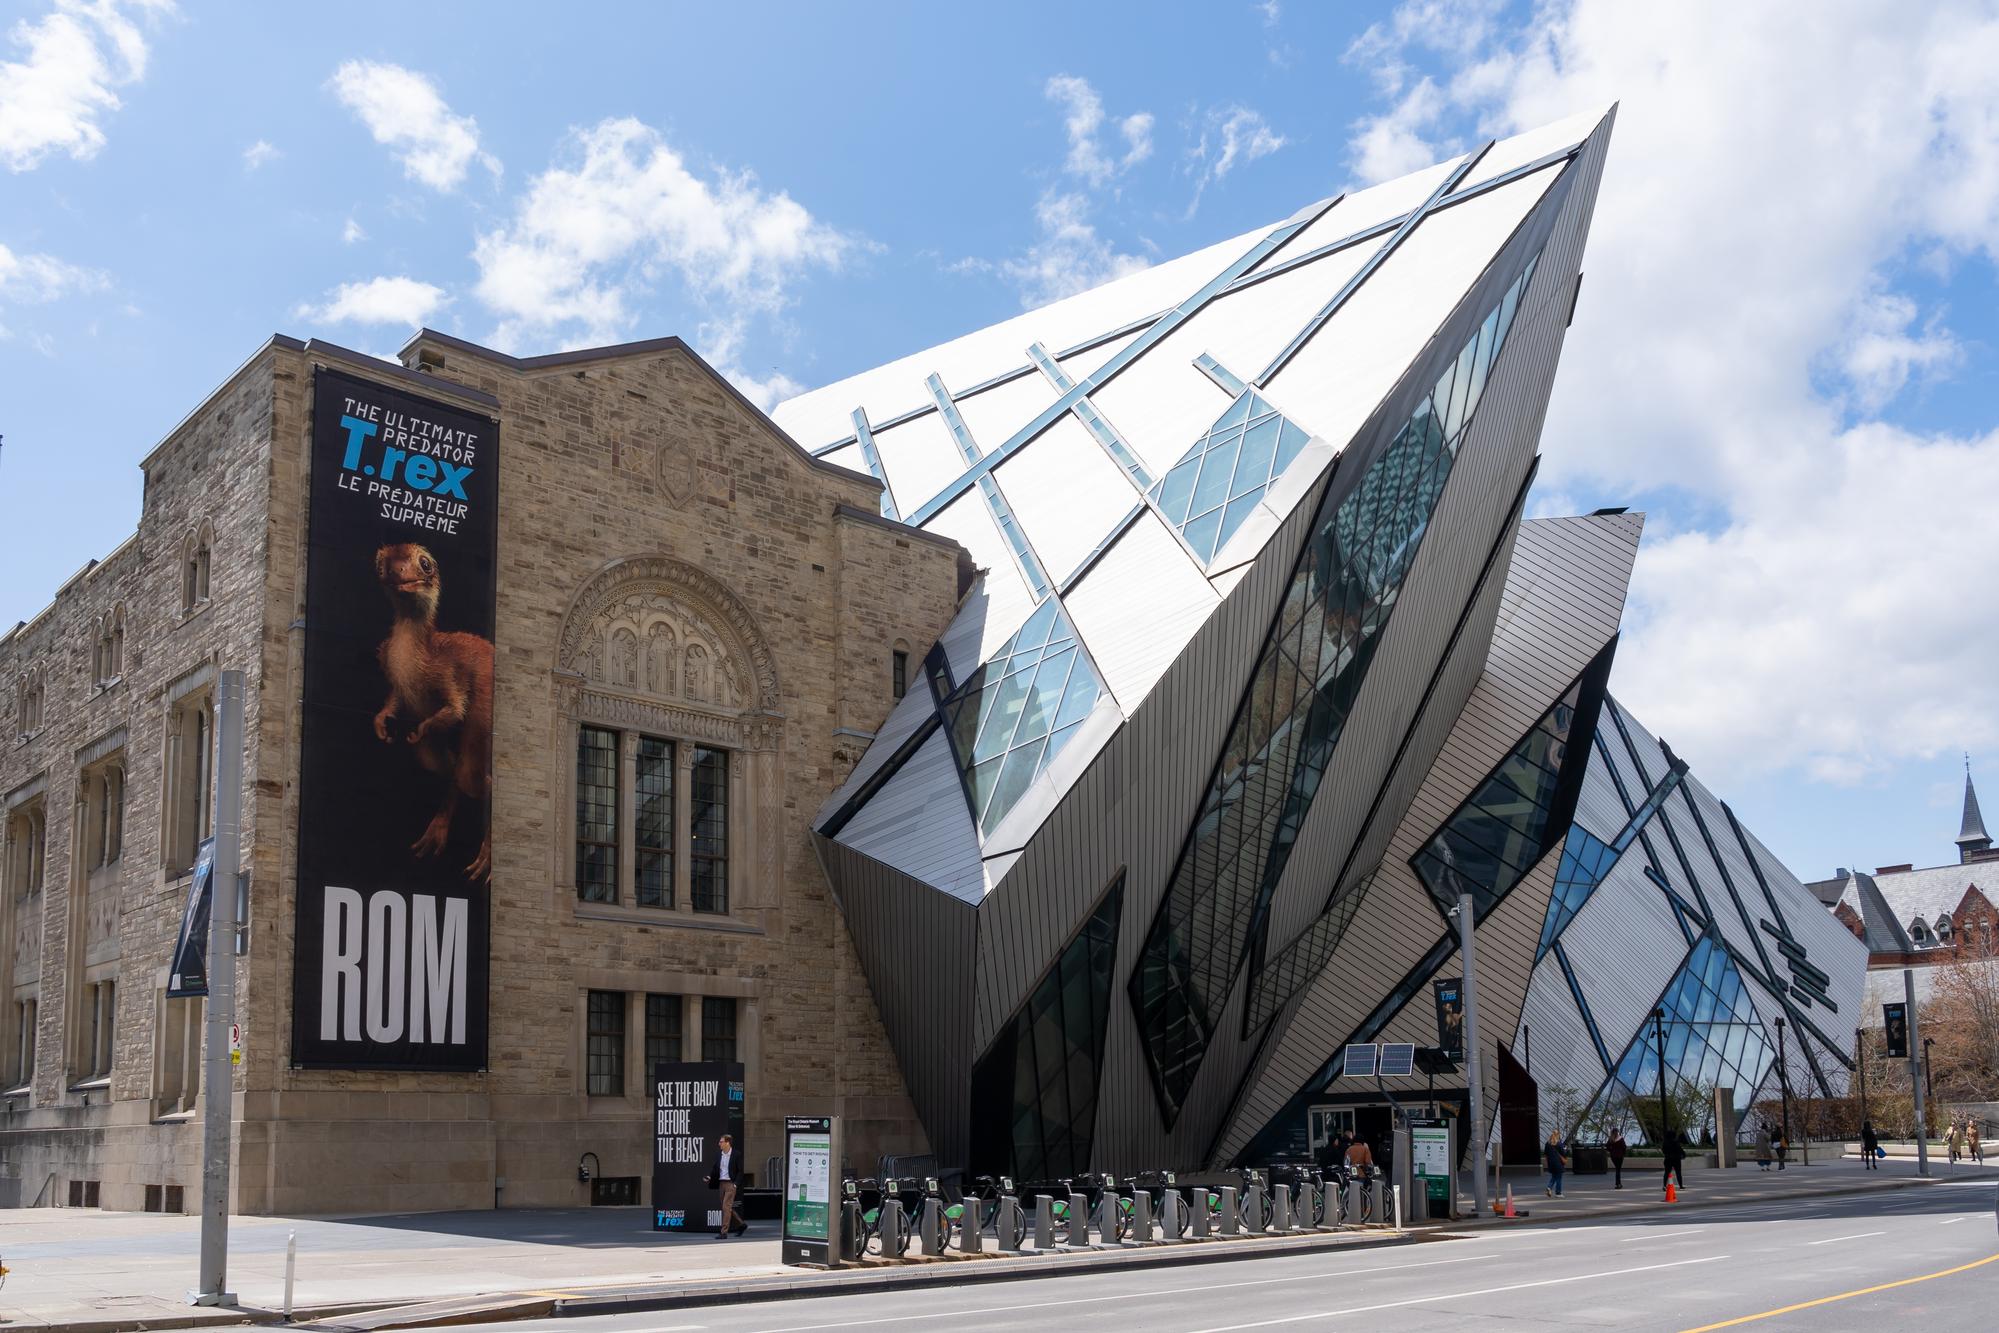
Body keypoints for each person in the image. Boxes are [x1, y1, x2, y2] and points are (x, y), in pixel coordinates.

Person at [706, 1133, 747, 1238]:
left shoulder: (736, 1154)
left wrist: (735, 1185)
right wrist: (710, 1177)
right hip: (721, 1184)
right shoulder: (719, 1154)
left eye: (721, 1142)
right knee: (727, 1208)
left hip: (730, 1184)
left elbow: (740, 1171)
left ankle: (723, 1232)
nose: (719, 1143)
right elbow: (715, 1168)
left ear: (727, 1143)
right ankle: (742, 1224)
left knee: (726, 1207)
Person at [1663, 1127, 1687, 1192]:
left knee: (1667, 1173)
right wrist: (1683, 1155)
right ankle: (1681, 1186)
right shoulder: (1675, 1142)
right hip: (1676, 1159)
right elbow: (1680, 1149)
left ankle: (1664, 1186)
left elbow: (1663, 1151)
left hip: (1668, 1159)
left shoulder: (1665, 1143)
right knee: (1678, 1173)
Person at [1544, 1131, 1567, 1197]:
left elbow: (1546, 1155)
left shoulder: (1547, 1144)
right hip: (1558, 1163)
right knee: (1559, 1178)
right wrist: (1565, 1149)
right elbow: (1564, 1153)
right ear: (1558, 1136)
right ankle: (1558, 1193)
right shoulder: (1559, 1144)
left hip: (1551, 1163)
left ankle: (1549, 1187)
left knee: (1554, 1176)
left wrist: (1548, 1163)